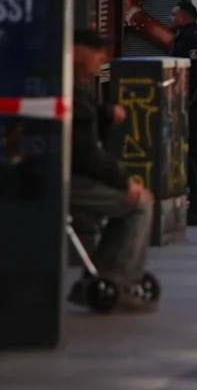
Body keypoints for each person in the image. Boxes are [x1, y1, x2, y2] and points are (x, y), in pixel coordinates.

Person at [69, 30, 155, 312]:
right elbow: (86, 154)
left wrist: (105, 112)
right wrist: (124, 182)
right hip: (68, 179)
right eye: (96, 51)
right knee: (139, 203)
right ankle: (118, 279)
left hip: (60, 173)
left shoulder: (71, 84)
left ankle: (104, 272)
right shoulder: (70, 85)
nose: (102, 58)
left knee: (134, 201)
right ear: (76, 50)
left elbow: (83, 116)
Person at [170, 1, 197, 227]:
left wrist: (185, 106)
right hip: (190, 109)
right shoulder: (187, 38)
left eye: (175, 13)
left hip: (193, 111)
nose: (171, 17)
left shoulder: (194, 40)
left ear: (185, 16)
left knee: (194, 160)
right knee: (191, 160)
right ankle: (193, 207)